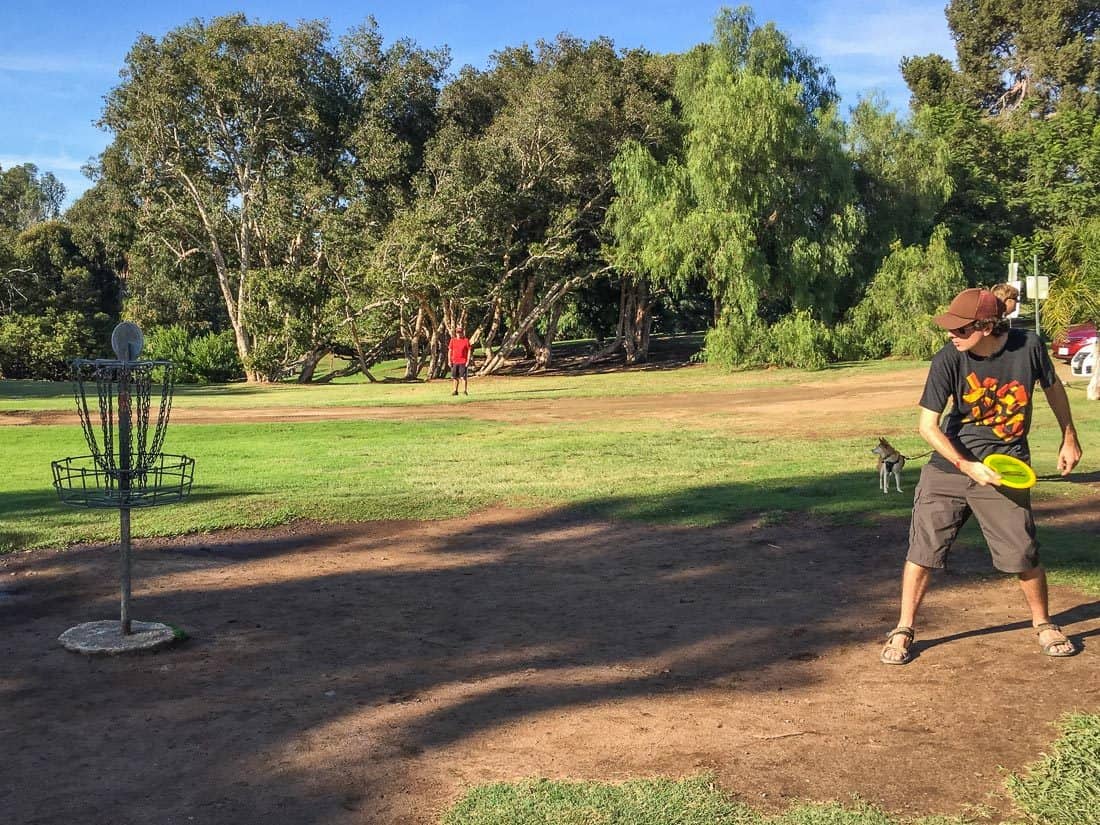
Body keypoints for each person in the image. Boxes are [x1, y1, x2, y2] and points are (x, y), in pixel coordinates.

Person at [881, 287, 1082, 665]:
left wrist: (1069, 437)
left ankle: (1044, 624)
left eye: (960, 330)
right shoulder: (948, 359)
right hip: (950, 466)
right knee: (922, 551)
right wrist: (966, 465)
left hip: (1006, 466)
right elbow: (928, 426)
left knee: (1022, 552)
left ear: (987, 326)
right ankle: (904, 628)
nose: (951, 336)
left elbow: (1053, 390)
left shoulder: (1028, 347)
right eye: (951, 329)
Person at [448, 326, 472, 396]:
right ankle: (455, 390)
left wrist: (468, 360)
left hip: (463, 361)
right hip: (454, 361)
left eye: (460, 332)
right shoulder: (453, 340)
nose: (459, 334)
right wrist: (449, 360)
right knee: (454, 377)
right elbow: (450, 350)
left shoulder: (466, 340)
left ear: (462, 333)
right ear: (456, 333)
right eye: (458, 332)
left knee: (463, 377)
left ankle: (464, 390)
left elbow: (469, 350)